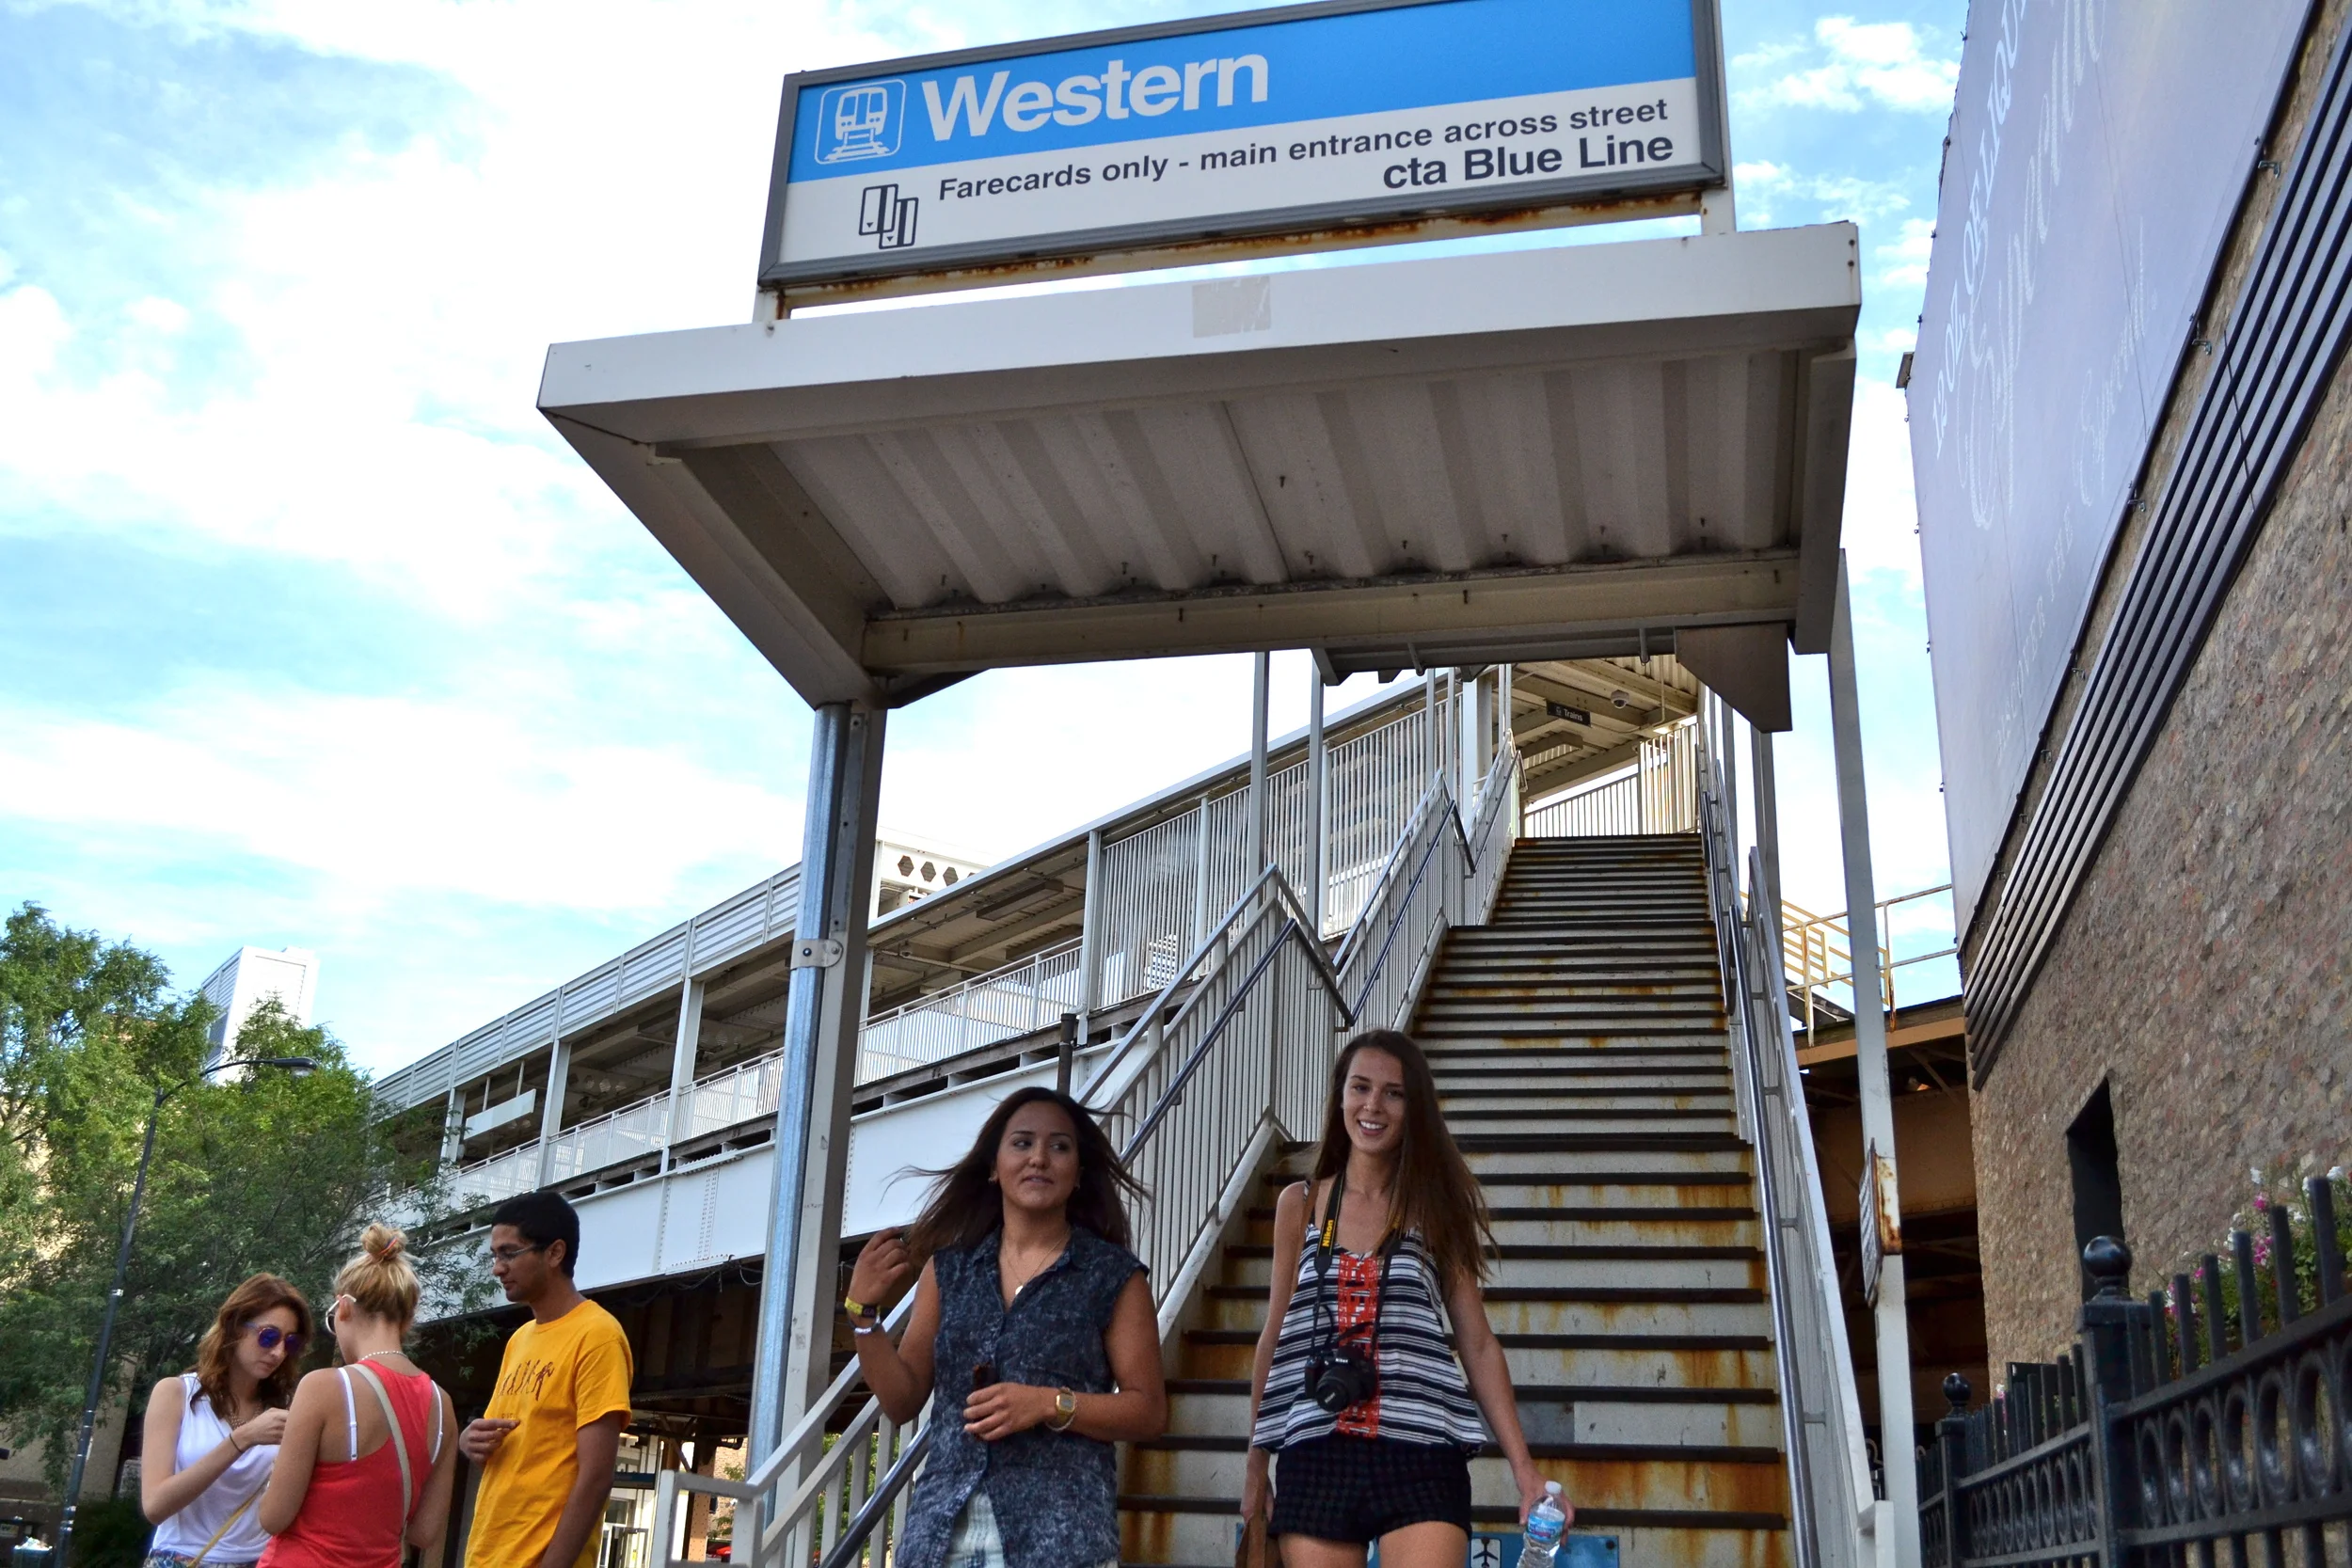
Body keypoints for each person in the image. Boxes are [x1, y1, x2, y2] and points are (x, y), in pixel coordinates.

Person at [1243, 1030, 1564, 1568]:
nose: (1373, 1105)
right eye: (1360, 1087)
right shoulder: (1300, 1204)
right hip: (1316, 1446)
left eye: (1393, 1093)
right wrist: (1255, 1466)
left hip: (1422, 1449)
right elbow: (1275, 1337)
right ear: (1340, 1097)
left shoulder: (1435, 1205)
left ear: (1414, 1109)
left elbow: (1478, 1344)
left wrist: (1524, 1470)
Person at [846, 1086, 1167, 1568]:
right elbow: (902, 1399)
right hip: (939, 1538)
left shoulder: (1112, 1276)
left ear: (1079, 1174)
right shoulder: (948, 1270)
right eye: (1022, 1143)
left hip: (1061, 1543)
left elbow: (1148, 1412)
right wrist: (863, 1316)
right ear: (994, 1167)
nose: (1039, 1157)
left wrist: (1049, 1404)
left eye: (1060, 1146)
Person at [256, 1224, 459, 1568]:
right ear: (407, 1320)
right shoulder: (443, 1405)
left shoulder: (323, 1387)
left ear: (343, 1308)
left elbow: (273, 1517)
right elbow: (424, 1533)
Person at [459, 1189, 634, 1568]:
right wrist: (470, 1440)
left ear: (555, 1253)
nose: (497, 1268)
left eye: (509, 1253)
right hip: (487, 1556)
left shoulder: (598, 1335)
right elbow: (511, 1451)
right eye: (495, 1255)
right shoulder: (519, 1339)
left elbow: (596, 1476)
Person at [139, 1274, 312, 1568]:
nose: (278, 1352)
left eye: (290, 1342)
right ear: (235, 1327)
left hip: (258, 1561)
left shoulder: (289, 1408)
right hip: (180, 1558)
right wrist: (242, 1439)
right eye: (268, 1336)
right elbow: (155, 1506)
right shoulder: (176, 1393)